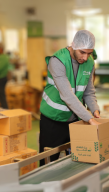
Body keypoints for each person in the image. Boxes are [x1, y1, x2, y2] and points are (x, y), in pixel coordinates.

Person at [39, 30, 101, 166]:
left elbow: (88, 91)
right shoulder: (57, 61)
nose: (85, 57)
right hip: (53, 120)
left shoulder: (89, 62)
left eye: (89, 53)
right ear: (74, 46)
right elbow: (67, 95)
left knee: (73, 163)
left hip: (74, 120)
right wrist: (89, 118)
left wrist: (95, 110)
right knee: (47, 165)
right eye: (82, 52)